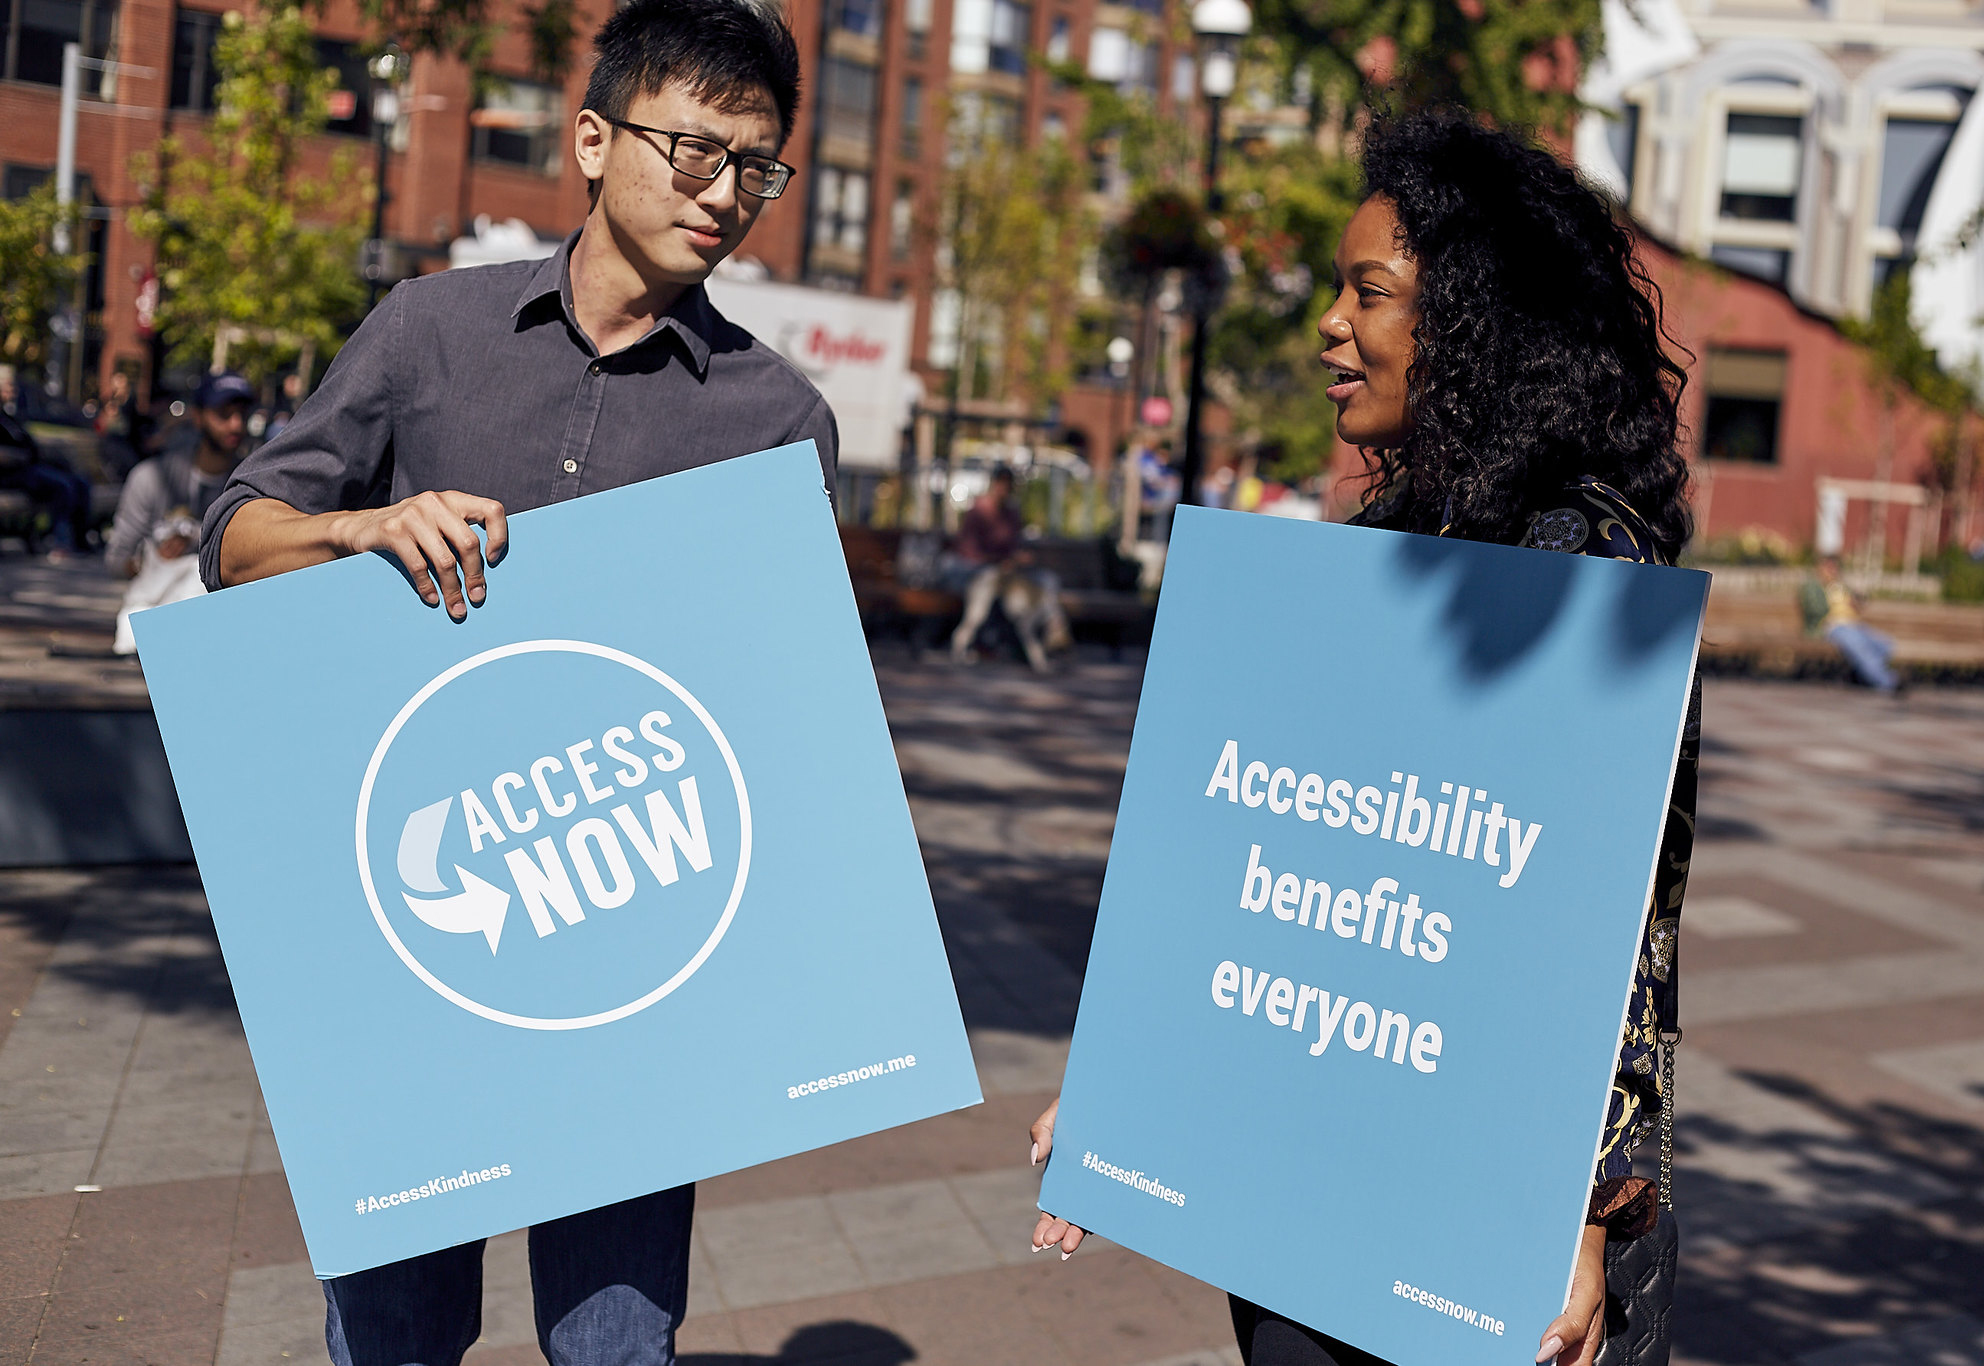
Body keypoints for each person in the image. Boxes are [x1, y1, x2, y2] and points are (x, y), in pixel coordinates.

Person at [198, 0, 833, 1361]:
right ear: (593, 141)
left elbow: (784, 724)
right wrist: (357, 527)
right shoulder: (428, 333)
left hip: (629, 975)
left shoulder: (778, 421)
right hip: (406, 965)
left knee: (614, 1346)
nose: (725, 193)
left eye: (757, 166)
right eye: (693, 149)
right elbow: (231, 545)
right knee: (396, 1341)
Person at [1029, 106, 1699, 1366]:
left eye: (1370, 292)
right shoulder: (1384, 557)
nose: (1329, 324)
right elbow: (1263, 872)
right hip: (1315, 1164)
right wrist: (1128, 1089)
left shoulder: (1582, 557)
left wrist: (1584, 1217)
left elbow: (1614, 934)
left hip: (1489, 1205)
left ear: (1472, 324)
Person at [104, 371, 252, 652]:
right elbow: (116, 559)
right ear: (198, 417)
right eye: (223, 414)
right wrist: (151, 559)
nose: (236, 424)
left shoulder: (253, 486)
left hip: (223, 621)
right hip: (157, 606)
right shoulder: (151, 477)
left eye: (242, 414)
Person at [945, 466, 1070, 671]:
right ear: (993, 484)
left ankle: (1055, 628)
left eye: (1008, 484)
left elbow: (1015, 546)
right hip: (980, 572)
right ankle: (964, 645)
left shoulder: (1012, 512)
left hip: (1010, 574)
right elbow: (968, 551)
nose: (1004, 488)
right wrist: (999, 559)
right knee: (988, 594)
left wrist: (1019, 558)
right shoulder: (978, 510)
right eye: (1001, 483)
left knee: (1048, 580)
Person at [0, 364, 93, 557]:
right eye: (8, 386)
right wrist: (16, 457)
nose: (13, 390)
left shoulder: (9, 416)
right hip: (11, 474)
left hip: (26, 469)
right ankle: (59, 542)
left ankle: (80, 540)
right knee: (63, 486)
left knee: (81, 482)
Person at [1799, 556, 1902, 694]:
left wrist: (1857, 599)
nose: (1832, 571)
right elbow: (1814, 610)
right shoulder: (1813, 586)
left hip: (1852, 625)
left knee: (1885, 645)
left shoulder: (1841, 586)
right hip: (1830, 626)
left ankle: (1864, 675)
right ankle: (1888, 682)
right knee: (1860, 647)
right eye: (1828, 568)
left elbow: (1860, 603)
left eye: (1834, 568)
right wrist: (1836, 601)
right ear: (1820, 569)